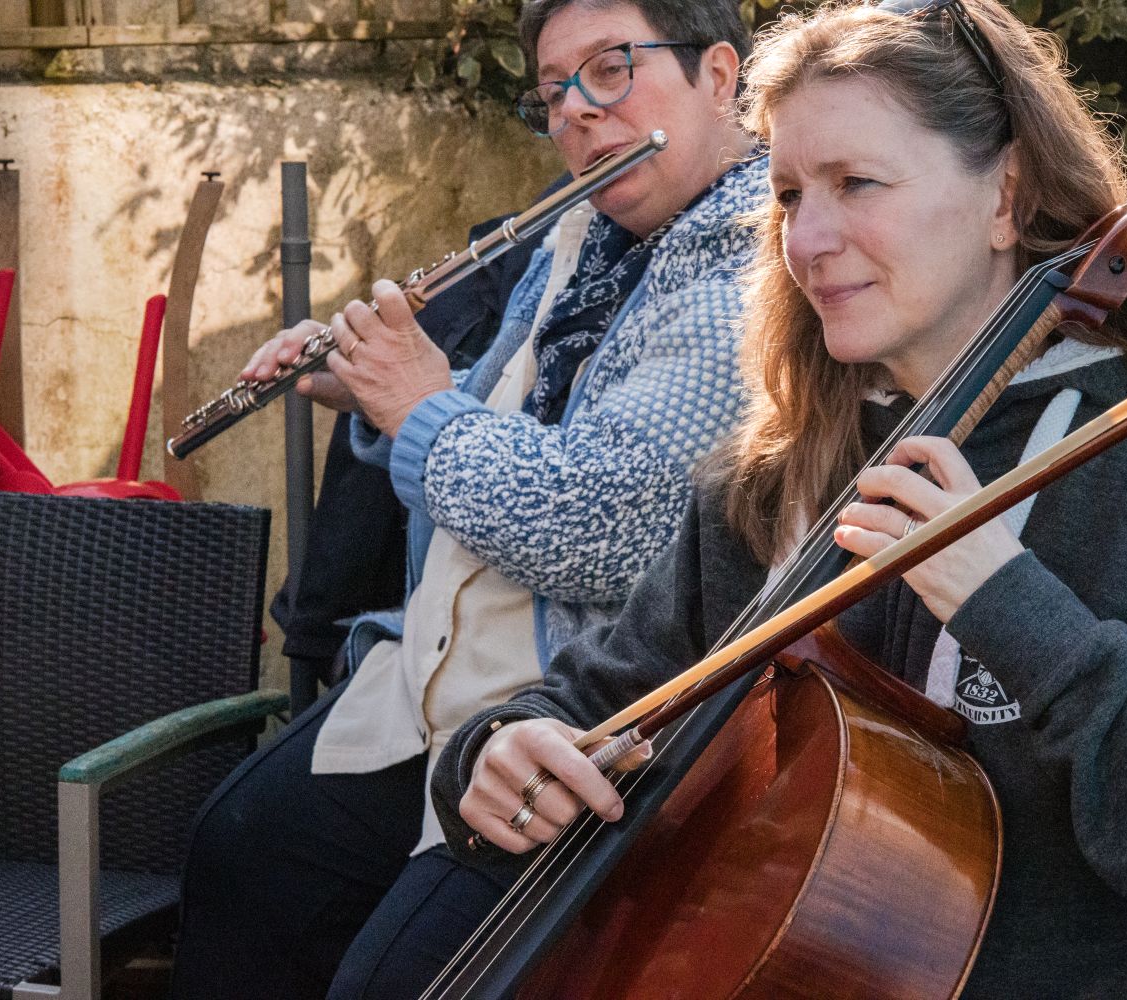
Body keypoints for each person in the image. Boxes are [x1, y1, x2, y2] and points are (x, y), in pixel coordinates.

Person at [433, 2, 1127, 997]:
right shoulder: (775, 476)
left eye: (856, 183)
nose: (808, 239)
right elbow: (595, 700)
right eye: (789, 195)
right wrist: (500, 751)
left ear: (1005, 197)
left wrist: (1015, 609)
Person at [167, 1, 766, 997]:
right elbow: (496, 403)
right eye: (554, 93)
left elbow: (603, 526)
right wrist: (365, 386)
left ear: (717, 75)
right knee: (242, 847)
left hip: (575, 711)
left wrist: (419, 407)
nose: (576, 113)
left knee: (386, 976)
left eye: (610, 70)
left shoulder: (748, 267)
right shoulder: (583, 233)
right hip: (436, 669)